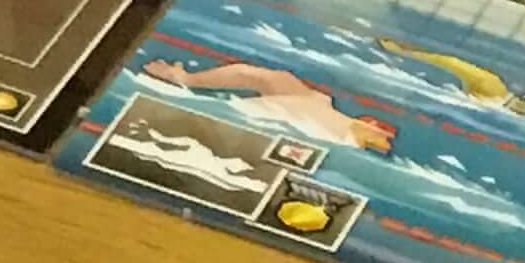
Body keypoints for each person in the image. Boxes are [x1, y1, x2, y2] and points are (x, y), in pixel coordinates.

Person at [132, 53, 398, 158]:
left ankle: (183, 82)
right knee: (267, 77)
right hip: (304, 110)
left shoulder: (341, 137)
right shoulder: (322, 107)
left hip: (287, 119)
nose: (385, 141)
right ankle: (184, 80)